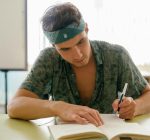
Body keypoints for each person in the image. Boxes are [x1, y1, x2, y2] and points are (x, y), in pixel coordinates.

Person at [7, 2, 150, 126]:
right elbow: (14, 106)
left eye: (81, 42)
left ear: (86, 29)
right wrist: (58, 107)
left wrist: (134, 107)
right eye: (65, 49)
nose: (78, 55)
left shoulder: (116, 55)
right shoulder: (49, 59)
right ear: (54, 46)